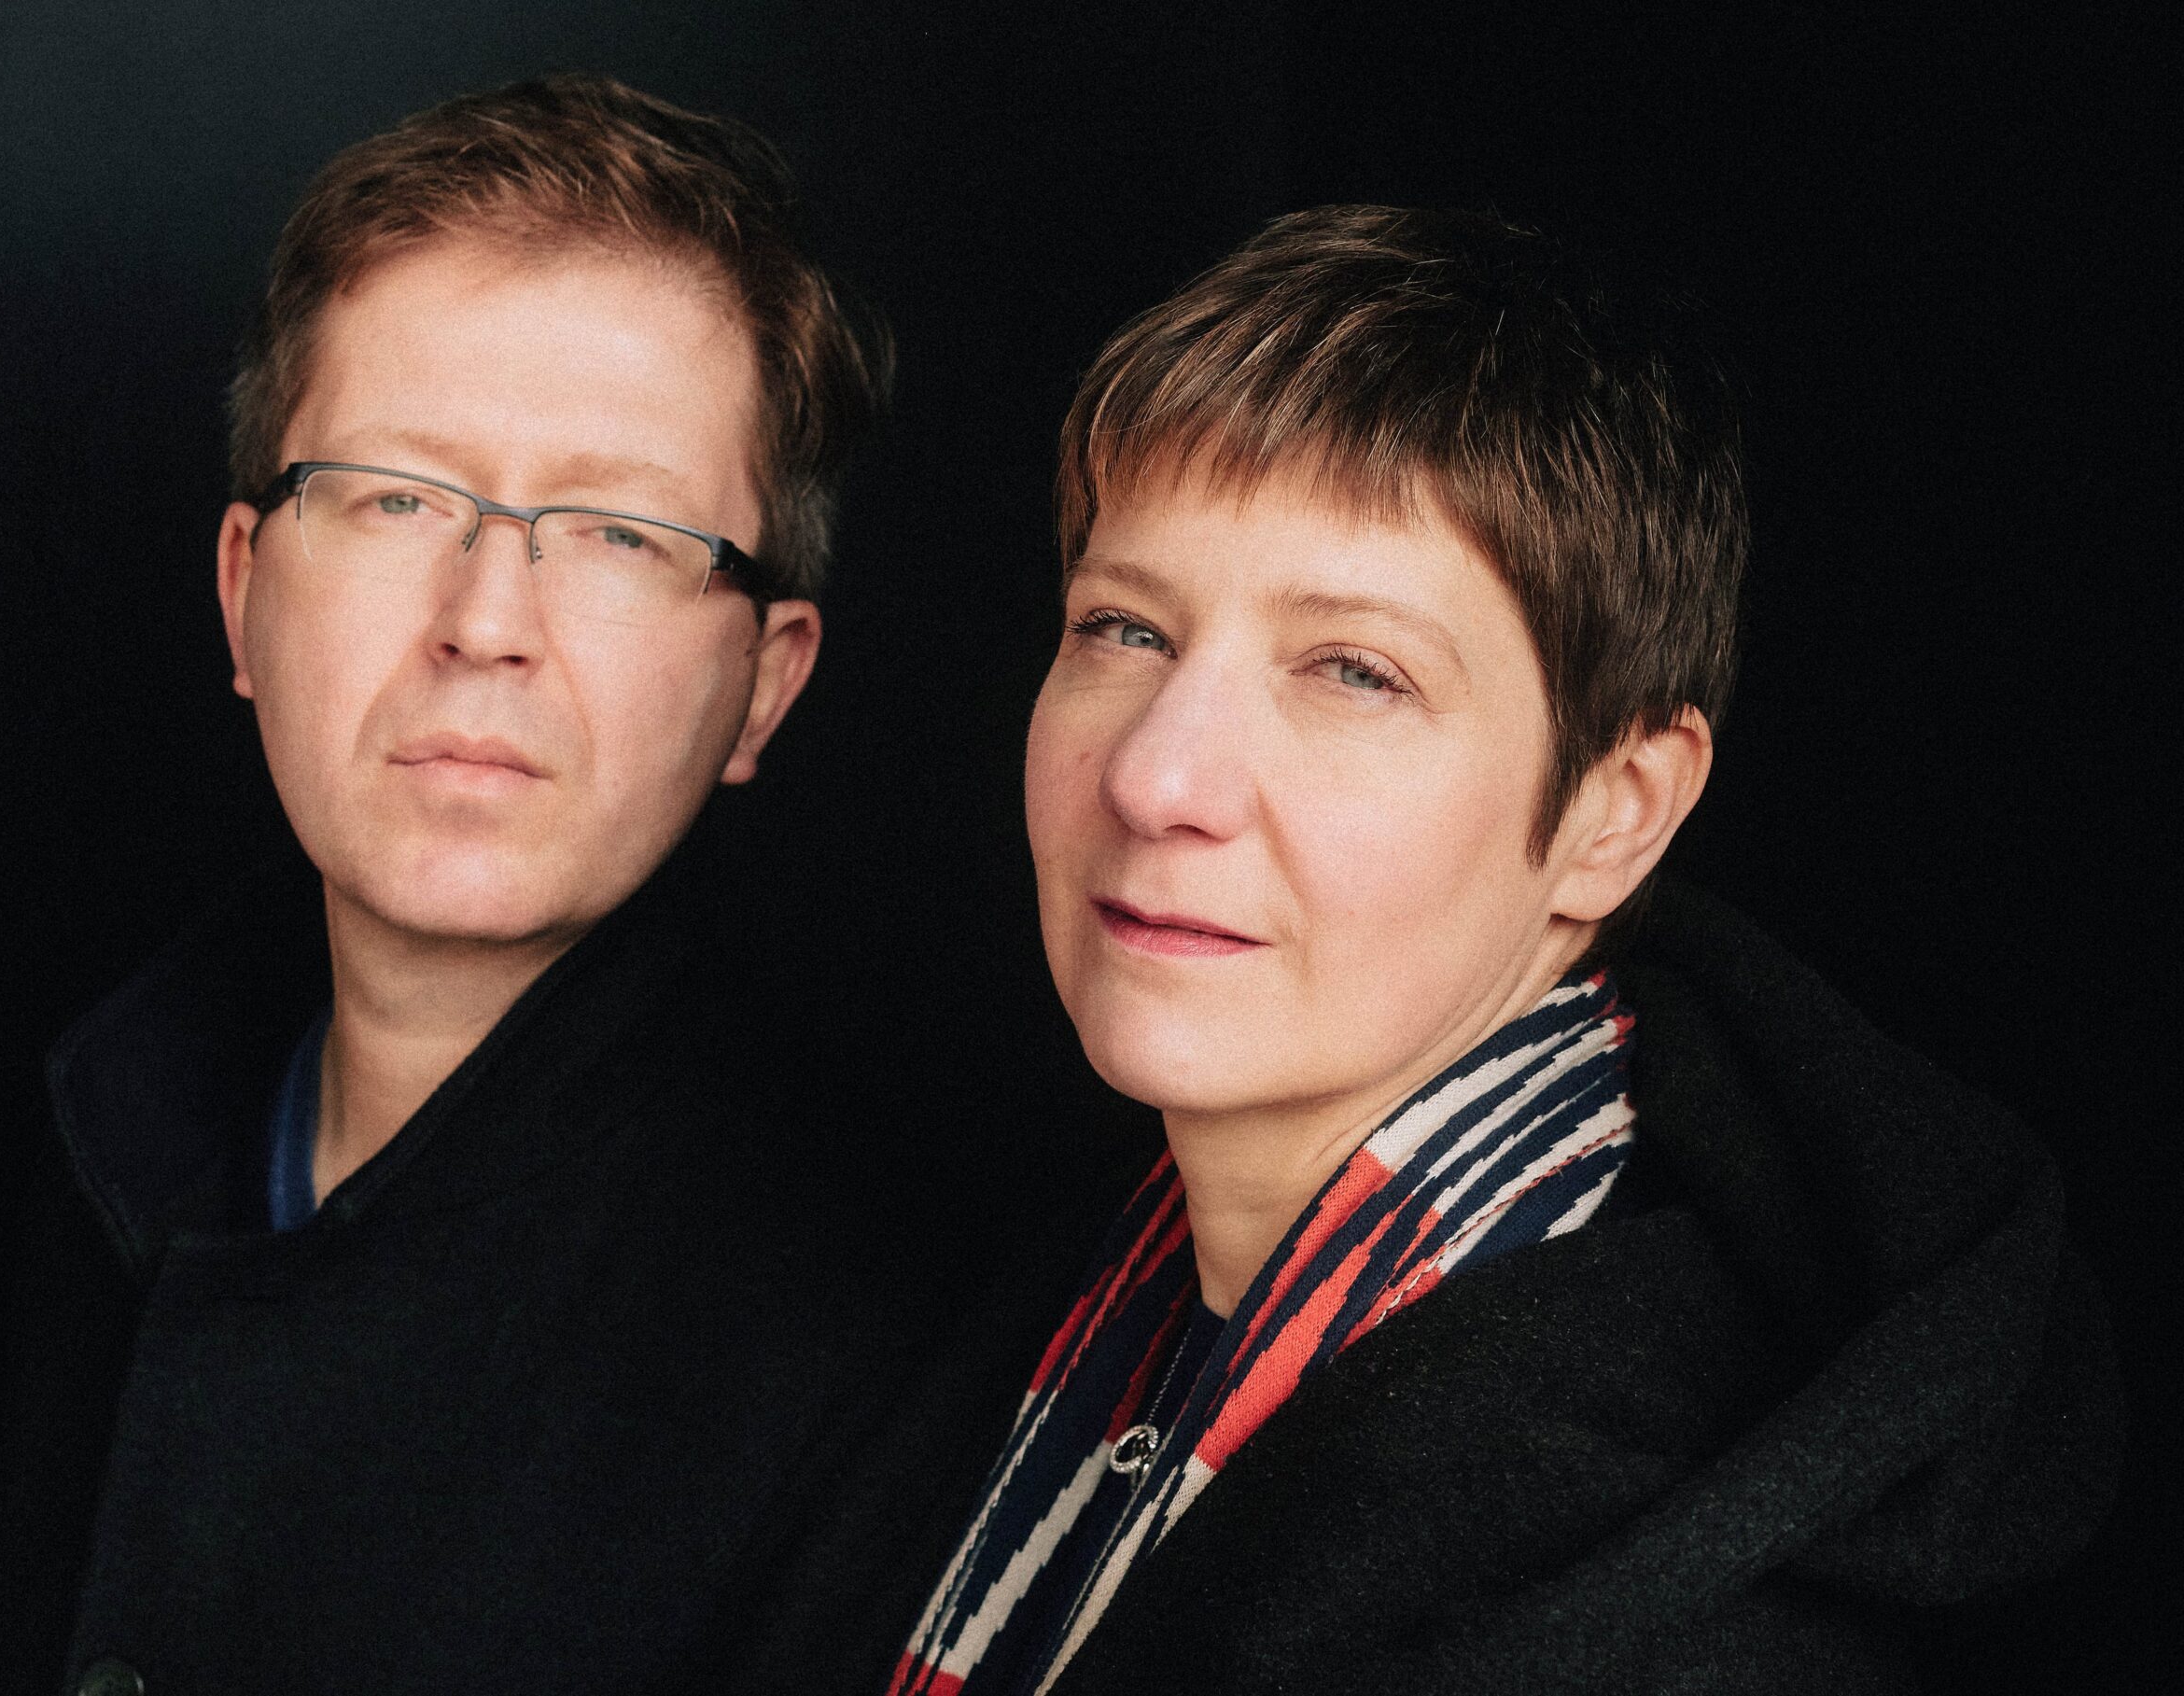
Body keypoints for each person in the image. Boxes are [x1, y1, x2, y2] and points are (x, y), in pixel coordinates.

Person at [889, 206, 2123, 1694]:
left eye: (1355, 671)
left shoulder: (1691, 1630)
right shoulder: (1047, 1322)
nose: (1157, 777)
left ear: (1616, 811)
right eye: (1124, 629)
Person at [0, 73, 917, 1695]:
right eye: (398, 497)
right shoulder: (78, 1141)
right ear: (243, 593)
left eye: (620, 533)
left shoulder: (873, 1355)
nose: (486, 620)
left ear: (764, 686)